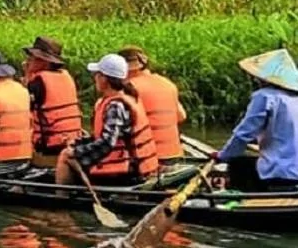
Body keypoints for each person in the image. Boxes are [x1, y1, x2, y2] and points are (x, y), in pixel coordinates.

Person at [214, 48, 298, 191]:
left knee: (237, 164)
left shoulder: (265, 96)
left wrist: (223, 156)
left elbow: (243, 134)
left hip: (285, 174)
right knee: (248, 163)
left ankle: (243, 203)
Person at [56, 54, 159, 186]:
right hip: (133, 166)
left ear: (105, 79)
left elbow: (107, 143)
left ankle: (61, 200)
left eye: (97, 75)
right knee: (71, 151)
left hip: (124, 171)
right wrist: (78, 142)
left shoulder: (115, 105)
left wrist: (76, 152)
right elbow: (109, 137)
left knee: (65, 156)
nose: (95, 79)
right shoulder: (127, 98)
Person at [22, 36, 83, 167]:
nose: (28, 60)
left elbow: (22, 111)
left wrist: (27, 78)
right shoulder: (66, 76)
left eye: (33, 57)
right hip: (72, 140)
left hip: (48, 145)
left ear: (45, 61)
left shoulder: (38, 82)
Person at [118, 45, 186, 162]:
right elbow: (182, 116)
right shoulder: (167, 84)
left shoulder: (128, 89)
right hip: (175, 155)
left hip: (147, 160)